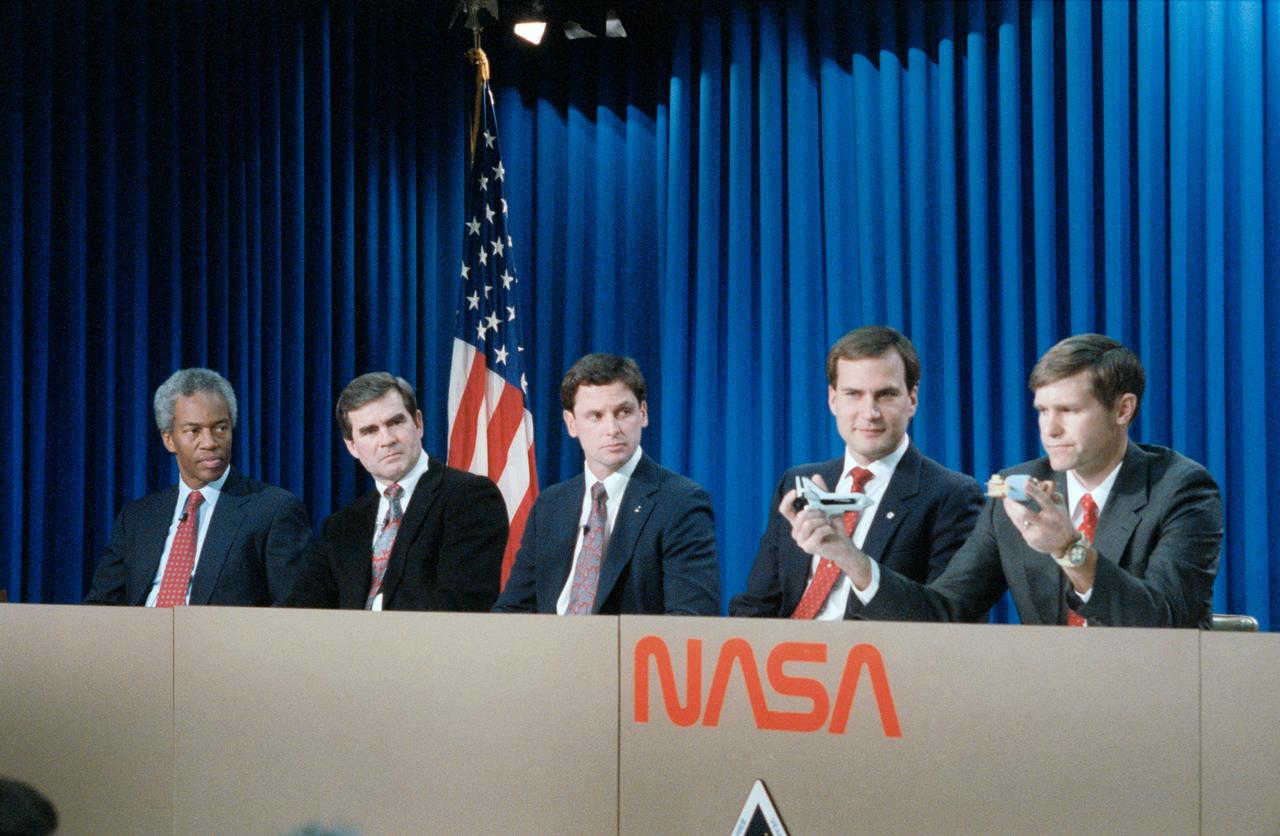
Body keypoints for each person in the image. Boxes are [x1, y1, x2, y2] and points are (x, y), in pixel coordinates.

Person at [787, 333, 1222, 627]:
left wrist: (1070, 551)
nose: (1049, 430)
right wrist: (848, 557)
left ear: (1123, 410)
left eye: (1068, 411)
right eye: (1042, 411)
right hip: (1047, 707)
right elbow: (945, 613)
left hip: (1156, 702)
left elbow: (1169, 622)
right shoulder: (1015, 489)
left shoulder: (1181, 489)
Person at [731, 326, 984, 619]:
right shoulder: (797, 482)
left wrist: (849, 558)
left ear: (912, 399)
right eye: (853, 394)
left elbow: (946, 619)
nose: (870, 413)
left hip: (875, 660)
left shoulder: (951, 494)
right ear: (833, 399)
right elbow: (758, 604)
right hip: (786, 658)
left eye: (886, 395)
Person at [494, 353, 720, 615]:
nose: (612, 429)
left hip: (628, 653)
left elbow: (691, 617)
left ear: (643, 414)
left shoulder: (680, 502)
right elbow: (513, 609)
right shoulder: (551, 505)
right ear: (571, 424)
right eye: (596, 416)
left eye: (623, 412)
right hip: (550, 651)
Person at [85, 368, 310, 606]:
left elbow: (292, 609)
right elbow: (101, 608)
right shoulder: (137, 517)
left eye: (220, 428)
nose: (210, 443)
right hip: (141, 639)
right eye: (193, 431)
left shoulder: (272, 510)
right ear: (169, 439)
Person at [284, 373, 506, 611]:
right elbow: (303, 609)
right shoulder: (341, 527)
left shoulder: (470, 497)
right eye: (370, 431)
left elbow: (461, 603)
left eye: (395, 422)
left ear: (418, 423)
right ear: (352, 446)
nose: (387, 440)